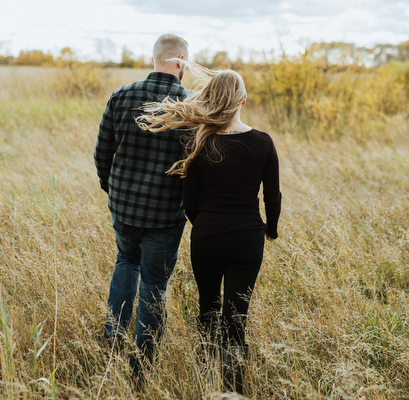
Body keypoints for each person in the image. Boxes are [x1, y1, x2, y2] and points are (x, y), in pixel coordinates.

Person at [137, 65, 281, 395]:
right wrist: (269, 229)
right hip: (247, 239)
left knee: (208, 308)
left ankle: (206, 378)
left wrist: (204, 224)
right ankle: (233, 389)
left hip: (206, 237)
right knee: (236, 317)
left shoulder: (198, 142)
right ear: (243, 101)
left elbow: (190, 202)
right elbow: (272, 196)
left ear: (211, 99)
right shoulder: (262, 142)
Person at [93, 33, 190, 387]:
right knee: (153, 282)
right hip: (166, 214)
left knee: (126, 261)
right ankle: (143, 363)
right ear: (180, 61)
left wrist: (113, 190)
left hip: (124, 207)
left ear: (155, 59)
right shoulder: (190, 105)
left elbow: (102, 153)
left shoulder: (122, 95)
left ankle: (113, 337)